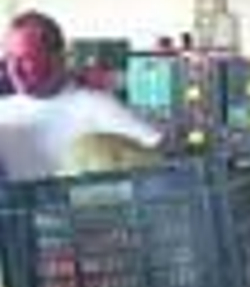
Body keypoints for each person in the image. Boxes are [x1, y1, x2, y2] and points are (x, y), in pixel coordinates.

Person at [0, 10, 160, 182]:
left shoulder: (96, 106)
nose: (14, 70)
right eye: (9, 58)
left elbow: (158, 157)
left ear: (57, 58)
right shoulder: (4, 113)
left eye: (26, 59)